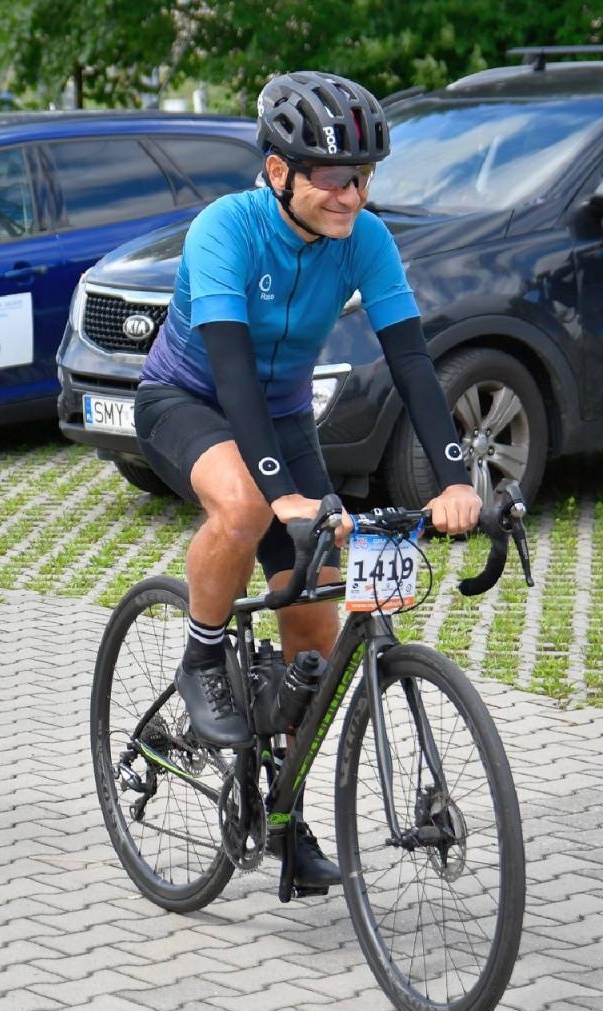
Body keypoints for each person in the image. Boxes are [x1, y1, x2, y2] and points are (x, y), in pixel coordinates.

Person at [133, 71, 482, 888]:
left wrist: (458, 477)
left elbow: (413, 364)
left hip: (283, 416)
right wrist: (278, 492)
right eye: (331, 176)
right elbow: (230, 367)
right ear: (278, 170)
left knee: (316, 633)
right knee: (247, 505)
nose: (351, 194)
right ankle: (201, 654)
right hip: (188, 398)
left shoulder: (366, 238)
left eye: (363, 177)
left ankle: (285, 824)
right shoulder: (226, 230)